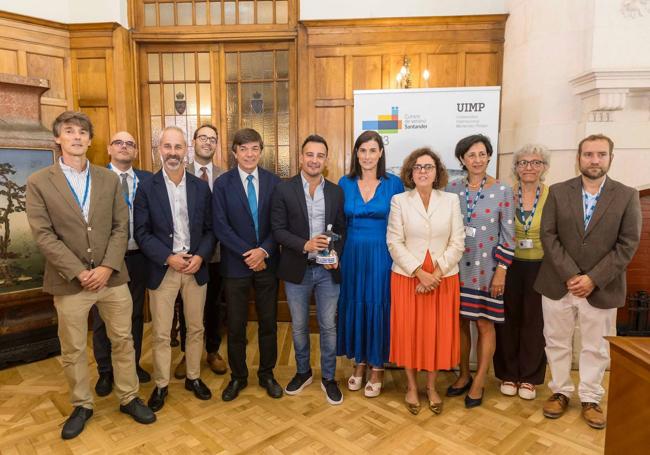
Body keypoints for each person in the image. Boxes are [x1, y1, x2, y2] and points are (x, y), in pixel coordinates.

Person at [26, 111, 155, 440]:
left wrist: (107, 267)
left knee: (124, 340)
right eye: (69, 131)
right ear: (58, 138)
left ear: (90, 139)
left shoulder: (108, 179)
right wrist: (79, 272)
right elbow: (43, 235)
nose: (77, 137)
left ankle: (128, 397)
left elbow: (119, 226)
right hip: (70, 283)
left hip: (112, 277)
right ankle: (82, 405)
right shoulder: (40, 182)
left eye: (82, 132)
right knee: (72, 349)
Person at [535, 134, 641, 429]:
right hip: (558, 283)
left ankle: (591, 397)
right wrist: (571, 274)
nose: (594, 160)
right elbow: (548, 235)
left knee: (595, 346)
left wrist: (593, 278)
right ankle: (559, 391)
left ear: (610, 158)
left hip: (602, 286)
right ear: (578, 158)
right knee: (556, 342)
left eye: (601, 155)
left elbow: (628, 244)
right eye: (588, 154)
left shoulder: (626, 195)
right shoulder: (557, 192)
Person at [134, 126, 215, 412]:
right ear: (159, 150)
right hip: (163, 269)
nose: (172, 152)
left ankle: (193, 377)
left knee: (195, 328)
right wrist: (168, 257)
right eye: (167, 147)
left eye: (178, 147)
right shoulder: (146, 187)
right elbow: (141, 233)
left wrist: (201, 257)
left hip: (195, 268)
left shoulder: (200, 187)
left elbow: (209, 229)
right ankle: (161, 384)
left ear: (186, 151)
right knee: (160, 333)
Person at [387, 148, 465, 415]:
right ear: (410, 172)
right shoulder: (399, 200)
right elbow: (394, 242)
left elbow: (458, 241)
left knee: (435, 334)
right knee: (409, 333)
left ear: (437, 172)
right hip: (408, 276)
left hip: (443, 278)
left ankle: (431, 387)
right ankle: (411, 386)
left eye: (428, 167)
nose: (422, 171)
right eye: (418, 167)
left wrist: (437, 274)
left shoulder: (451, 200)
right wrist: (420, 273)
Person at [271, 134, 346, 405]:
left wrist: (337, 253)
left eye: (320, 155)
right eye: (310, 155)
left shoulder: (336, 191)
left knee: (328, 326)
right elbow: (277, 230)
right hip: (296, 271)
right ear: (301, 157)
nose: (314, 160)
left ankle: (328, 377)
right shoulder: (284, 189)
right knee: (299, 326)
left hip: (328, 272)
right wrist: (305, 244)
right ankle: (303, 372)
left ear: (326, 160)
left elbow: (341, 230)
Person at [445, 134, 515, 408]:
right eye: (471, 155)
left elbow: (508, 235)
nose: (477, 159)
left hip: (488, 271)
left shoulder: (503, 190)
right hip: (457, 270)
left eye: (482, 154)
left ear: (489, 156)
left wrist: (502, 271)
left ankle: (480, 380)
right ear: (462, 159)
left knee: (485, 324)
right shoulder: (451, 190)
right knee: (460, 324)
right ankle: (463, 374)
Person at [213, 128, 283, 401]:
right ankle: (238, 376)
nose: (249, 154)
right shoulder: (223, 184)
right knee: (236, 325)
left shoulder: (274, 183)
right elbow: (220, 226)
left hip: (267, 264)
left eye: (254, 148)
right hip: (235, 266)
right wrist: (249, 253)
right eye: (244, 149)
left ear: (261, 152)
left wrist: (263, 251)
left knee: (268, 323)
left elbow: (279, 225)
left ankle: (267, 374)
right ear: (234, 153)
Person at [337, 130, 404, 397]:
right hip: (351, 253)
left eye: (372, 150)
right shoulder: (344, 182)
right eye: (362, 150)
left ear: (380, 153)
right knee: (355, 303)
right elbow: (338, 223)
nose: (367, 156)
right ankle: (359, 362)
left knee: (378, 304)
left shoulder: (394, 183)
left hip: (381, 253)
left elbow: (402, 223)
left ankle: (377, 366)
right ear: (356, 153)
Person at [92, 131, 153, 398]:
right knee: (102, 317)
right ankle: (106, 370)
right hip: (106, 260)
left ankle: (132, 364)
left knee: (136, 314)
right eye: (119, 142)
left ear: (136, 151)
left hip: (139, 257)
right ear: (109, 148)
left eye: (130, 143)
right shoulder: (95, 179)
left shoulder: (148, 180)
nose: (124, 147)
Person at [493, 144, 550, 400]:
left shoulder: (553, 195)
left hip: (540, 265)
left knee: (534, 322)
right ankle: (507, 374)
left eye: (536, 162)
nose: (529, 167)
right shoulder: (504, 193)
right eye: (523, 162)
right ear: (515, 167)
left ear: (544, 167)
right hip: (507, 265)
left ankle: (529, 378)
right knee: (506, 320)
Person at [174, 124, 227, 379]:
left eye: (213, 139)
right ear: (193, 142)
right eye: (203, 137)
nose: (208, 142)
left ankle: (213, 350)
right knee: (185, 308)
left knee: (215, 306)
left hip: (218, 254)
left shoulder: (225, 176)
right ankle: (188, 352)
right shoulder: (178, 174)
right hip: (187, 255)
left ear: (217, 144)